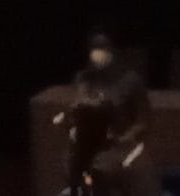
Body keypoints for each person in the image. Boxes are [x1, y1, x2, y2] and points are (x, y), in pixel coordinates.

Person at [66, 32, 156, 196]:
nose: (97, 54)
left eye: (102, 48)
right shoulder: (84, 79)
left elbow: (143, 120)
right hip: (88, 148)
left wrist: (126, 137)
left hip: (120, 148)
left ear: (112, 50)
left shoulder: (131, 81)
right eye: (94, 48)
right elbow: (76, 111)